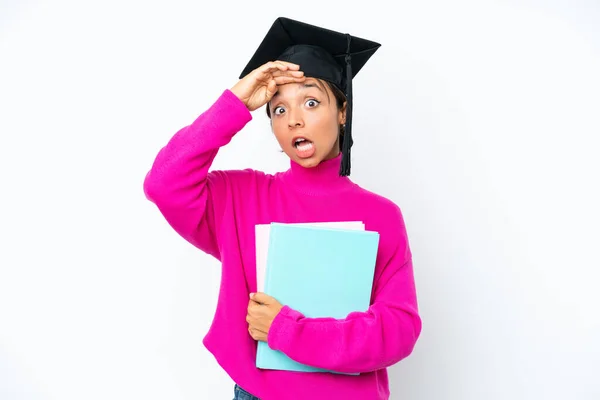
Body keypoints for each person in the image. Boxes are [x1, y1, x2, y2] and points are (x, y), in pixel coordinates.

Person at [143, 17, 421, 400]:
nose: (294, 120)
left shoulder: (381, 215)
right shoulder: (240, 198)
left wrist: (287, 330)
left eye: (311, 101)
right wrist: (236, 102)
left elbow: (398, 329)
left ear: (342, 111)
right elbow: (163, 183)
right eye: (278, 110)